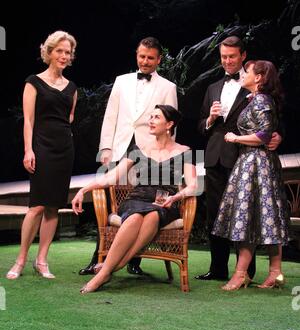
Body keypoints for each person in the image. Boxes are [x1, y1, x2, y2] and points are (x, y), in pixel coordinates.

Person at [79, 37, 178, 276]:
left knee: (140, 203)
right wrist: (106, 148)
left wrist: (165, 159)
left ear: (159, 60)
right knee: (109, 202)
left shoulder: (167, 87)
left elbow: (171, 127)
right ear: (137, 55)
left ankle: (134, 261)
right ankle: (98, 257)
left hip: (149, 155)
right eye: (142, 56)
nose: (145, 61)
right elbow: (111, 115)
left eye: (150, 58)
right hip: (119, 148)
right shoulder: (121, 81)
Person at [72, 105, 197, 294]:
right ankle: (109, 270)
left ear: (169, 124)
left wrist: (176, 197)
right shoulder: (139, 149)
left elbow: (194, 185)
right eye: (151, 116)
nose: (151, 120)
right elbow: (111, 177)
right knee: (136, 216)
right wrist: (84, 189)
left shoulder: (184, 151)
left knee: (154, 215)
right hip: (137, 199)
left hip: (165, 202)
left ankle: (109, 269)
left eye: (156, 117)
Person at [195, 36, 282, 281]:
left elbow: (273, 119)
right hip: (215, 157)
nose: (227, 61)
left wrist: (278, 136)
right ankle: (218, 268)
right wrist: (210, 119)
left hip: (244, 158)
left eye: (232, 56)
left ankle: (246, 271)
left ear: (243, 56)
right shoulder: (212, 87)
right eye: (223, 57)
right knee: (216, 215)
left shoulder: (254, 81)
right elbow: (200, 126)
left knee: (245, 214)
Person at [6, 30, 77, 279]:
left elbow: (69, 119)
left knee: (53, 207)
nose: (64, 55)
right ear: (49, 52)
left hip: (64, 150)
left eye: (67, 52)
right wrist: (29, 150)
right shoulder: (33, 82)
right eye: (59, 50)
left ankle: (42, 260)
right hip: (41, 147)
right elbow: (28, 120)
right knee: (36, 206)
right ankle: (21, 260)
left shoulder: (72, 87)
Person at [212, 60, 289, 290]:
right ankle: (274, 272)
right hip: (252, 161)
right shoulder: (257, 99)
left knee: (248, 216)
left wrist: (235, 138)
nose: (244, 73)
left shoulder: (262, 99)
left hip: (256, 162)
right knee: (263, 216)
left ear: (259, 77)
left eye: (248, 71)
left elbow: (264, 135)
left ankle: (240, 273)